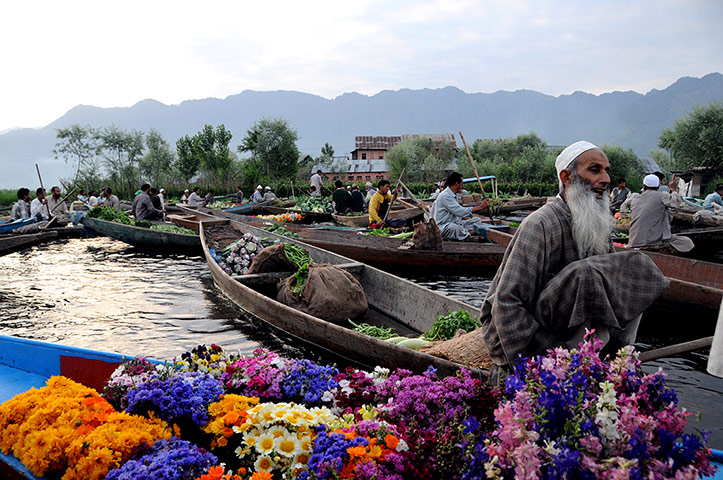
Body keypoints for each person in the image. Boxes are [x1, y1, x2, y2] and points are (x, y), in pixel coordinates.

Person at [477, 141, 668, 383]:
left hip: (574, 334)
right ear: (567, 177)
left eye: (607, 170)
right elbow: (507, 304)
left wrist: (616, 357)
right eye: (595, 170)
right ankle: (579, 359)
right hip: (531, 342)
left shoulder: (595, 225)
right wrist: (549, 359)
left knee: (635, 268)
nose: (606, 178)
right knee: (586, 273)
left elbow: (615, 285)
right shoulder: (540, 225)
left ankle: (611, 355)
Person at [629, 174, 694, 252]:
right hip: (653, 240)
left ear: (644, 186)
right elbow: (676, 202)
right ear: (658, 187)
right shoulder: (662, 196)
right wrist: (673, 189)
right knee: (686, 241)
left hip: (633, 240)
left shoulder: (635, 199)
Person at [432, 172, 490, 241]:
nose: (462, 187)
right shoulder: (445, 195)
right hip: (444, 226)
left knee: (477, 220)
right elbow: (459, 211)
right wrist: (480, 207)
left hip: (457, 223)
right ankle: (467, 236)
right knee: (453, 228)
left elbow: (460, 212)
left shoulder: (454, 195)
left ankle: (465, 233)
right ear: (456, 184)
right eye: (461, 184)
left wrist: (467, 216)